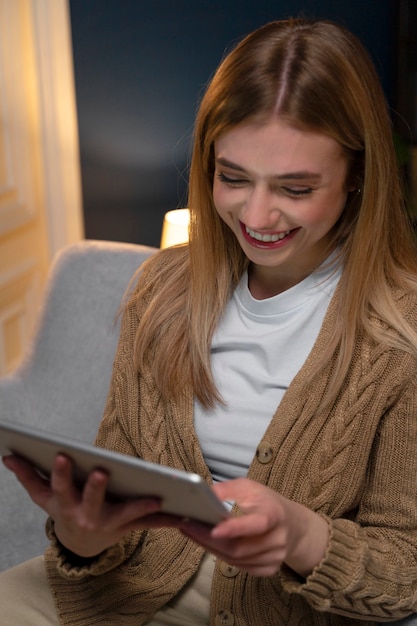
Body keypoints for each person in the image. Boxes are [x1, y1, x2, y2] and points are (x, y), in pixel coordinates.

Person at [1, 16, 417, 626]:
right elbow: (110, 510)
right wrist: (80, 532)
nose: (256, 215)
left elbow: (405, 569)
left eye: (296, 188)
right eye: (233, 177)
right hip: (127, 585)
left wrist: (301, 536)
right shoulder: (162, 289)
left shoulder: (401, 334)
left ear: (358, 176)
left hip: (291, 606)